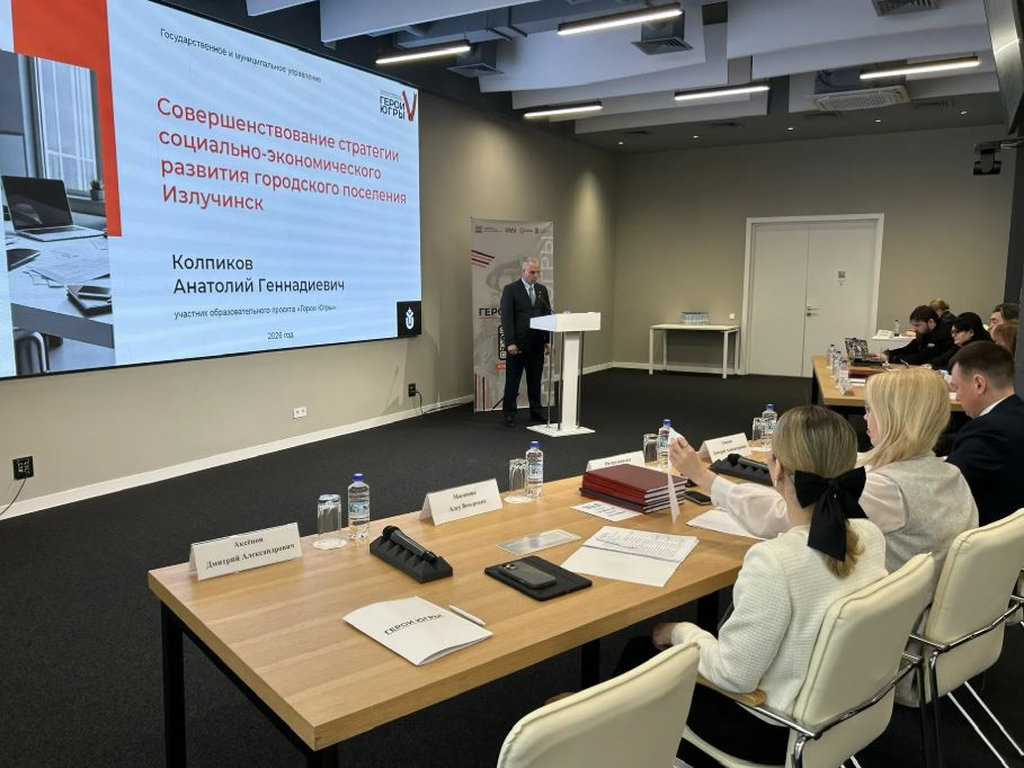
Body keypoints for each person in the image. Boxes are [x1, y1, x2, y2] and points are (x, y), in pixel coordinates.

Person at [649, 406, 888, 765]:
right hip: (847, 713)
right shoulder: (870, 535)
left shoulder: (775, 562)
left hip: (772, 730)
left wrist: (679, 631)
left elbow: (734, 677)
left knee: (640, 657)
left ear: (776, 470)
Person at [673, 367, 977, 575]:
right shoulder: (948, 472)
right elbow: (862, 460)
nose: (865, 419)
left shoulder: (887, 491)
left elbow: (786, 516)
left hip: (883, 624)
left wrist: (704, 477)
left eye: (870, 411)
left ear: (894, 419)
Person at [946, 342, 1024, 526]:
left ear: (979, 384)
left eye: (957, 388)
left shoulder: (986, 431)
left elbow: (946, 486)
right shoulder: (1016, 414)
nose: (957, 397)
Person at [499, 257, 551, 427]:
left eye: (537, 272)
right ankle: (509, 413)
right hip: (518, 345)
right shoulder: (511, 289)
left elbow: (546, 316)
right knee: (512, 381)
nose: (535, 275)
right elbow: (507, 318)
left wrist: (546, 340)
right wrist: (510, 342)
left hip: (536, 344)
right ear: (523, 272)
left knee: (535, 380)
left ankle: (536, 411)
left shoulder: (542, 290)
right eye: (532, 272)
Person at [887, 305, 953, 366]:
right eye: (914, 325)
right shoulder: (925, 332)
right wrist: (886, 353)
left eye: (917, 325)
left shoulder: (942, 335)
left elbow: (921, 358)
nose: (914, 329)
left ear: (931, 322)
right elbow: (907, 349)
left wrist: (890, 358)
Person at [926, 311, 992, 372]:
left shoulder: (979, 351)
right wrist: (930, 364)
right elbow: (942, 359)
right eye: (952, 332)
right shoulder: (959, 345)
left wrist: (933, 368)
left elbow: (958, 370)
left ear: (971, 332)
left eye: (957, 332)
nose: (953, 335)